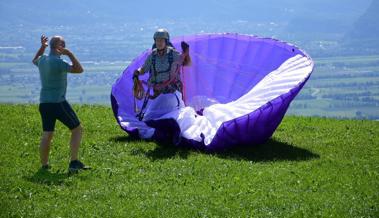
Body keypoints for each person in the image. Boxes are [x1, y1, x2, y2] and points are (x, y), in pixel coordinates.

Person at [32, 35, 89, 173]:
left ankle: (44, 165)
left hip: (44, 103)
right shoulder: (58, 63)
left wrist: (42, 47)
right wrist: (69, 54)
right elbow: (79, 69)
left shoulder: (43, 60)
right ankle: (74, 162)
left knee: (47, 134)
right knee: (77, 129)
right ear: (60, 47)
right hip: (58, 102)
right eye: (64, 45)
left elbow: (34, 59)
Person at [133, 29, 191, 123]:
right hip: (157, 93)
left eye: (161, 40)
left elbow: (186, 63)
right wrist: (137, 72)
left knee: (172, 116)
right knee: (151, 118)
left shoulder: (173, 54)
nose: (159, 43)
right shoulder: (152, 56)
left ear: (166, 41)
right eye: (157, 40)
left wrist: (186, 53)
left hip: (172, 92)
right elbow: (144, 68)